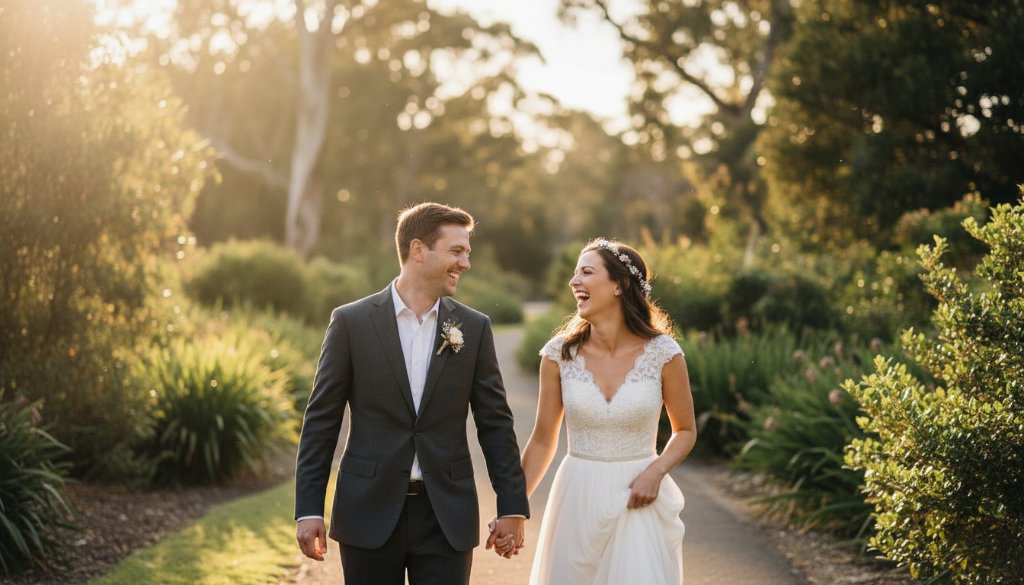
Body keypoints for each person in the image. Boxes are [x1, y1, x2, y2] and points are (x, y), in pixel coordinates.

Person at [294, 202, 529, 585]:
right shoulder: (351, 322)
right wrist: (308, 509)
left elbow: (496, 425)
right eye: (456, 251)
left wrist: (512, 506)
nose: (465, 263)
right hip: (366, 510)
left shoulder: (473, 327)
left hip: (446, 515)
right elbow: (321, 421)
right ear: (418, 250)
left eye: (467, 252)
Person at [504, 237, 697, 584]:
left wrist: (655, 472)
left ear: (619, 285)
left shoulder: (664, 354)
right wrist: (514, 508)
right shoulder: (558, 356)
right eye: (574, 273)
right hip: (577, 496)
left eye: (586, 272)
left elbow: (685, 430)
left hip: (638, 497)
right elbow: (543, 440)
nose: (573, 281)